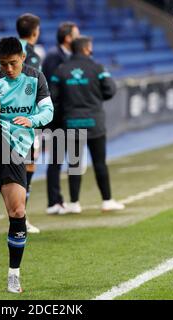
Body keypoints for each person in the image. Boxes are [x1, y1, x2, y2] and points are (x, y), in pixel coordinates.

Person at [0, 37, 53, 293]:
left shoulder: (36, 78)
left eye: (13, 64)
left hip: (16, 152)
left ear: (23, 58)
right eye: (4, 64)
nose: (9, 69)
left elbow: (48, 113)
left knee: (17, 213)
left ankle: (13, 276)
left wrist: (32, 120)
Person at [0, 13, 42, 236]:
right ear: (36, 31)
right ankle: (21, 217)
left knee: (4, 164)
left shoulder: (5, 53)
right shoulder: (29, 56)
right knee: (26, 167)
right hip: (22, 121)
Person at [50, 36, 124, 213]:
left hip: (72, 122)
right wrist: (96, 99)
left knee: (74, 164)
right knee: (100, 163)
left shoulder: (60, 70)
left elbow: (53, 97)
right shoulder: (97, 68)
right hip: (94, 122)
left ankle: (74, 204)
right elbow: (111, 90)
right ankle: (107, 200)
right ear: (85, 49)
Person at [42, 21, 80, 214]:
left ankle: (72, 201)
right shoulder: (53, 57)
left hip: (73, 115)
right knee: (56, 160)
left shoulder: (74, 56)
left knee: (75, 158)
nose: (79, 38)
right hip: (57, 117)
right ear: (67, 38)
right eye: (76, 34)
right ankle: (53, 201)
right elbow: (49, 88)